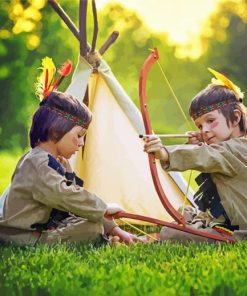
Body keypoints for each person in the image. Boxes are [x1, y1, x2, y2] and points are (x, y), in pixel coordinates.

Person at [0, 58, 141, 247]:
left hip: (44, 229)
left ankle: (109, 236)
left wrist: (114, 228)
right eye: (79, 135)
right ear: (56, 129)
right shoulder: (37, 163)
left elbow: (73, 203)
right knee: (90, 228)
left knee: (91, 221)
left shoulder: (55, 162)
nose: (82, 143)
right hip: (23, 236)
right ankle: (102, 239)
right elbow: (66, 196)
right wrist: (103, 208)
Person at [143, 68, 247, 242]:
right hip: (227, 221)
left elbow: (207, 156)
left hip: (239, 233)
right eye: (199, 126)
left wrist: (162, 152)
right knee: (184, 212)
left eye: (211, 121)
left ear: (236, 118)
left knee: (173, 232)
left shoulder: (235, 149)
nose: (204, 130)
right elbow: (210, 155)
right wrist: (200, 144)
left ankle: (149, 239)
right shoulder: (230, 147)